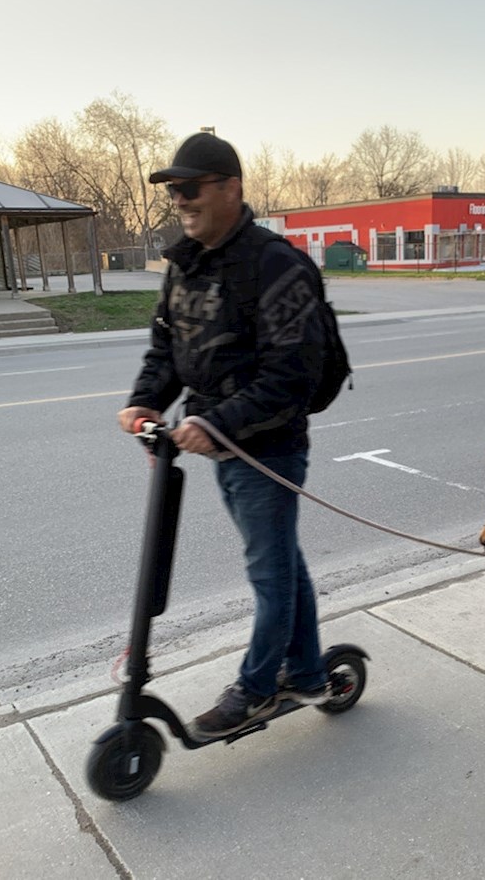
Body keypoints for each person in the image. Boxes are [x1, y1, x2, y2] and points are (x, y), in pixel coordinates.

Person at [117, 132, 331, 739]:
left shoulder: (276, 264)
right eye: (173, 191)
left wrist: (217, 423)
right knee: (281, 561)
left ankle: (260, 689)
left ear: (231, 189)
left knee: (269, 572)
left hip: (268, 449)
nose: (179, 201)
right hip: (215, 441)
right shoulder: (187, 263)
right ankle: (310, 670)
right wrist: (143, 401)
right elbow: (167, 347)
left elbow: (294, 373)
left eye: (190, 188)